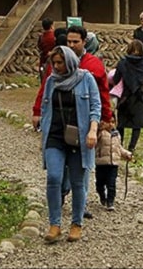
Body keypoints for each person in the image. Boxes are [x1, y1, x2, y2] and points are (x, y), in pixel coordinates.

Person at [32, 25, 112, 219]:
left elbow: (101, 94)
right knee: (57, 169)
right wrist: (37, 112)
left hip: (84, 126)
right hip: (59, 126)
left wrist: (105, 119)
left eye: (76, 41)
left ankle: (80, 205)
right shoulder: (57, 63)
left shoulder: (93, 65)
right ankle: (59, 198)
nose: (72, 45)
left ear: (84, 42)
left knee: (81, 169)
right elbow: (46, 89)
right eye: (69, 41)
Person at [39, 46, 100, 244]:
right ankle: (54, 224)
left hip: (78, 137)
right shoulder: (51, 81)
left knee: (77, 182)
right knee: (54, 177)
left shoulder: (86, 79)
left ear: (70, 61)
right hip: (55, 135)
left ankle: (76, 223)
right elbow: (44, 105)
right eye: (54, 63)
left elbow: (95, 107)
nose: (56, 67)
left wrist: (92, 130)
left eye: (60, 62)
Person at [113, 39, 143, 152]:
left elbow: (116, 79)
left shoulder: (122, 63)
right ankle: (132, 147)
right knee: (137, 124)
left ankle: (120, 145)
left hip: (125, 96)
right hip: (139, 97)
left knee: (121, 123)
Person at [94, 119, 133, 211]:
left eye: (113, 122)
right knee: (100, 183)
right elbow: (95, 141)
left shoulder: (116, 134)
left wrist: (127, 154)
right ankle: (102, 195)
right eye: (108, 122)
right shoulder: (100, 133)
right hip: (101, 163)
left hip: (113, 164)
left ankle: (110, 201)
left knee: (111, 183)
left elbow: (119, 148)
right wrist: (99, 128)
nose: (110, 124)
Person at [37, 18, 56, 83]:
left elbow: (39, 47)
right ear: (51, 26)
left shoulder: (41, 37)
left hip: (43, 61)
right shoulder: (54, 36)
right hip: (52, 61)